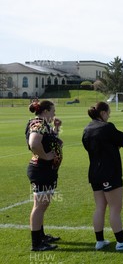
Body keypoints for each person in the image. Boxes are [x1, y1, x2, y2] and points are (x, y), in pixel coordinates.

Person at [82, 102, 123, 250]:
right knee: (115, 208)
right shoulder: (107, 127)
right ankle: (121, 242)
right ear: (102, 113)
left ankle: (99, 241)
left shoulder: (87, 128)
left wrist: (110, 146)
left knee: (100, 207)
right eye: (108, 112)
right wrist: (113, 146)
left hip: (94, 172)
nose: (110, 115)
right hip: (109, 172)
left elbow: (91, 147)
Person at [26, 100, 63, 251]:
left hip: (45, 170)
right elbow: (34, 143)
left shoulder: (42, 124)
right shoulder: (38, 124)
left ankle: (41, 236)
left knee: (42, 205)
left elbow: (47, 140)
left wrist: (56, 128)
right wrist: (47, 156)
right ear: (46, 111)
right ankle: (36, 243)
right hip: (41, 170)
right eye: (53, 110)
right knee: (40, 206)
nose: (54, 113)